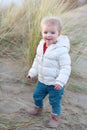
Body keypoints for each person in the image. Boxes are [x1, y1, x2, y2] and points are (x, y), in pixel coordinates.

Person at [27, 16, 71, 128]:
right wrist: (32, 73)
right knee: (37, 95)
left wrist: (60, 82)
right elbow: (37, 60)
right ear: (42, 32)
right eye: (45, 32)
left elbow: (66, 67)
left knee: (54, 101)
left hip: (55, 84)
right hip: (42, 80)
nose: (48, 35)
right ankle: (38, 107)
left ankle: (55, 117)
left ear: (59, 33)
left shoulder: (61, 50)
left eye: (52, 32)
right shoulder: (41, 45)